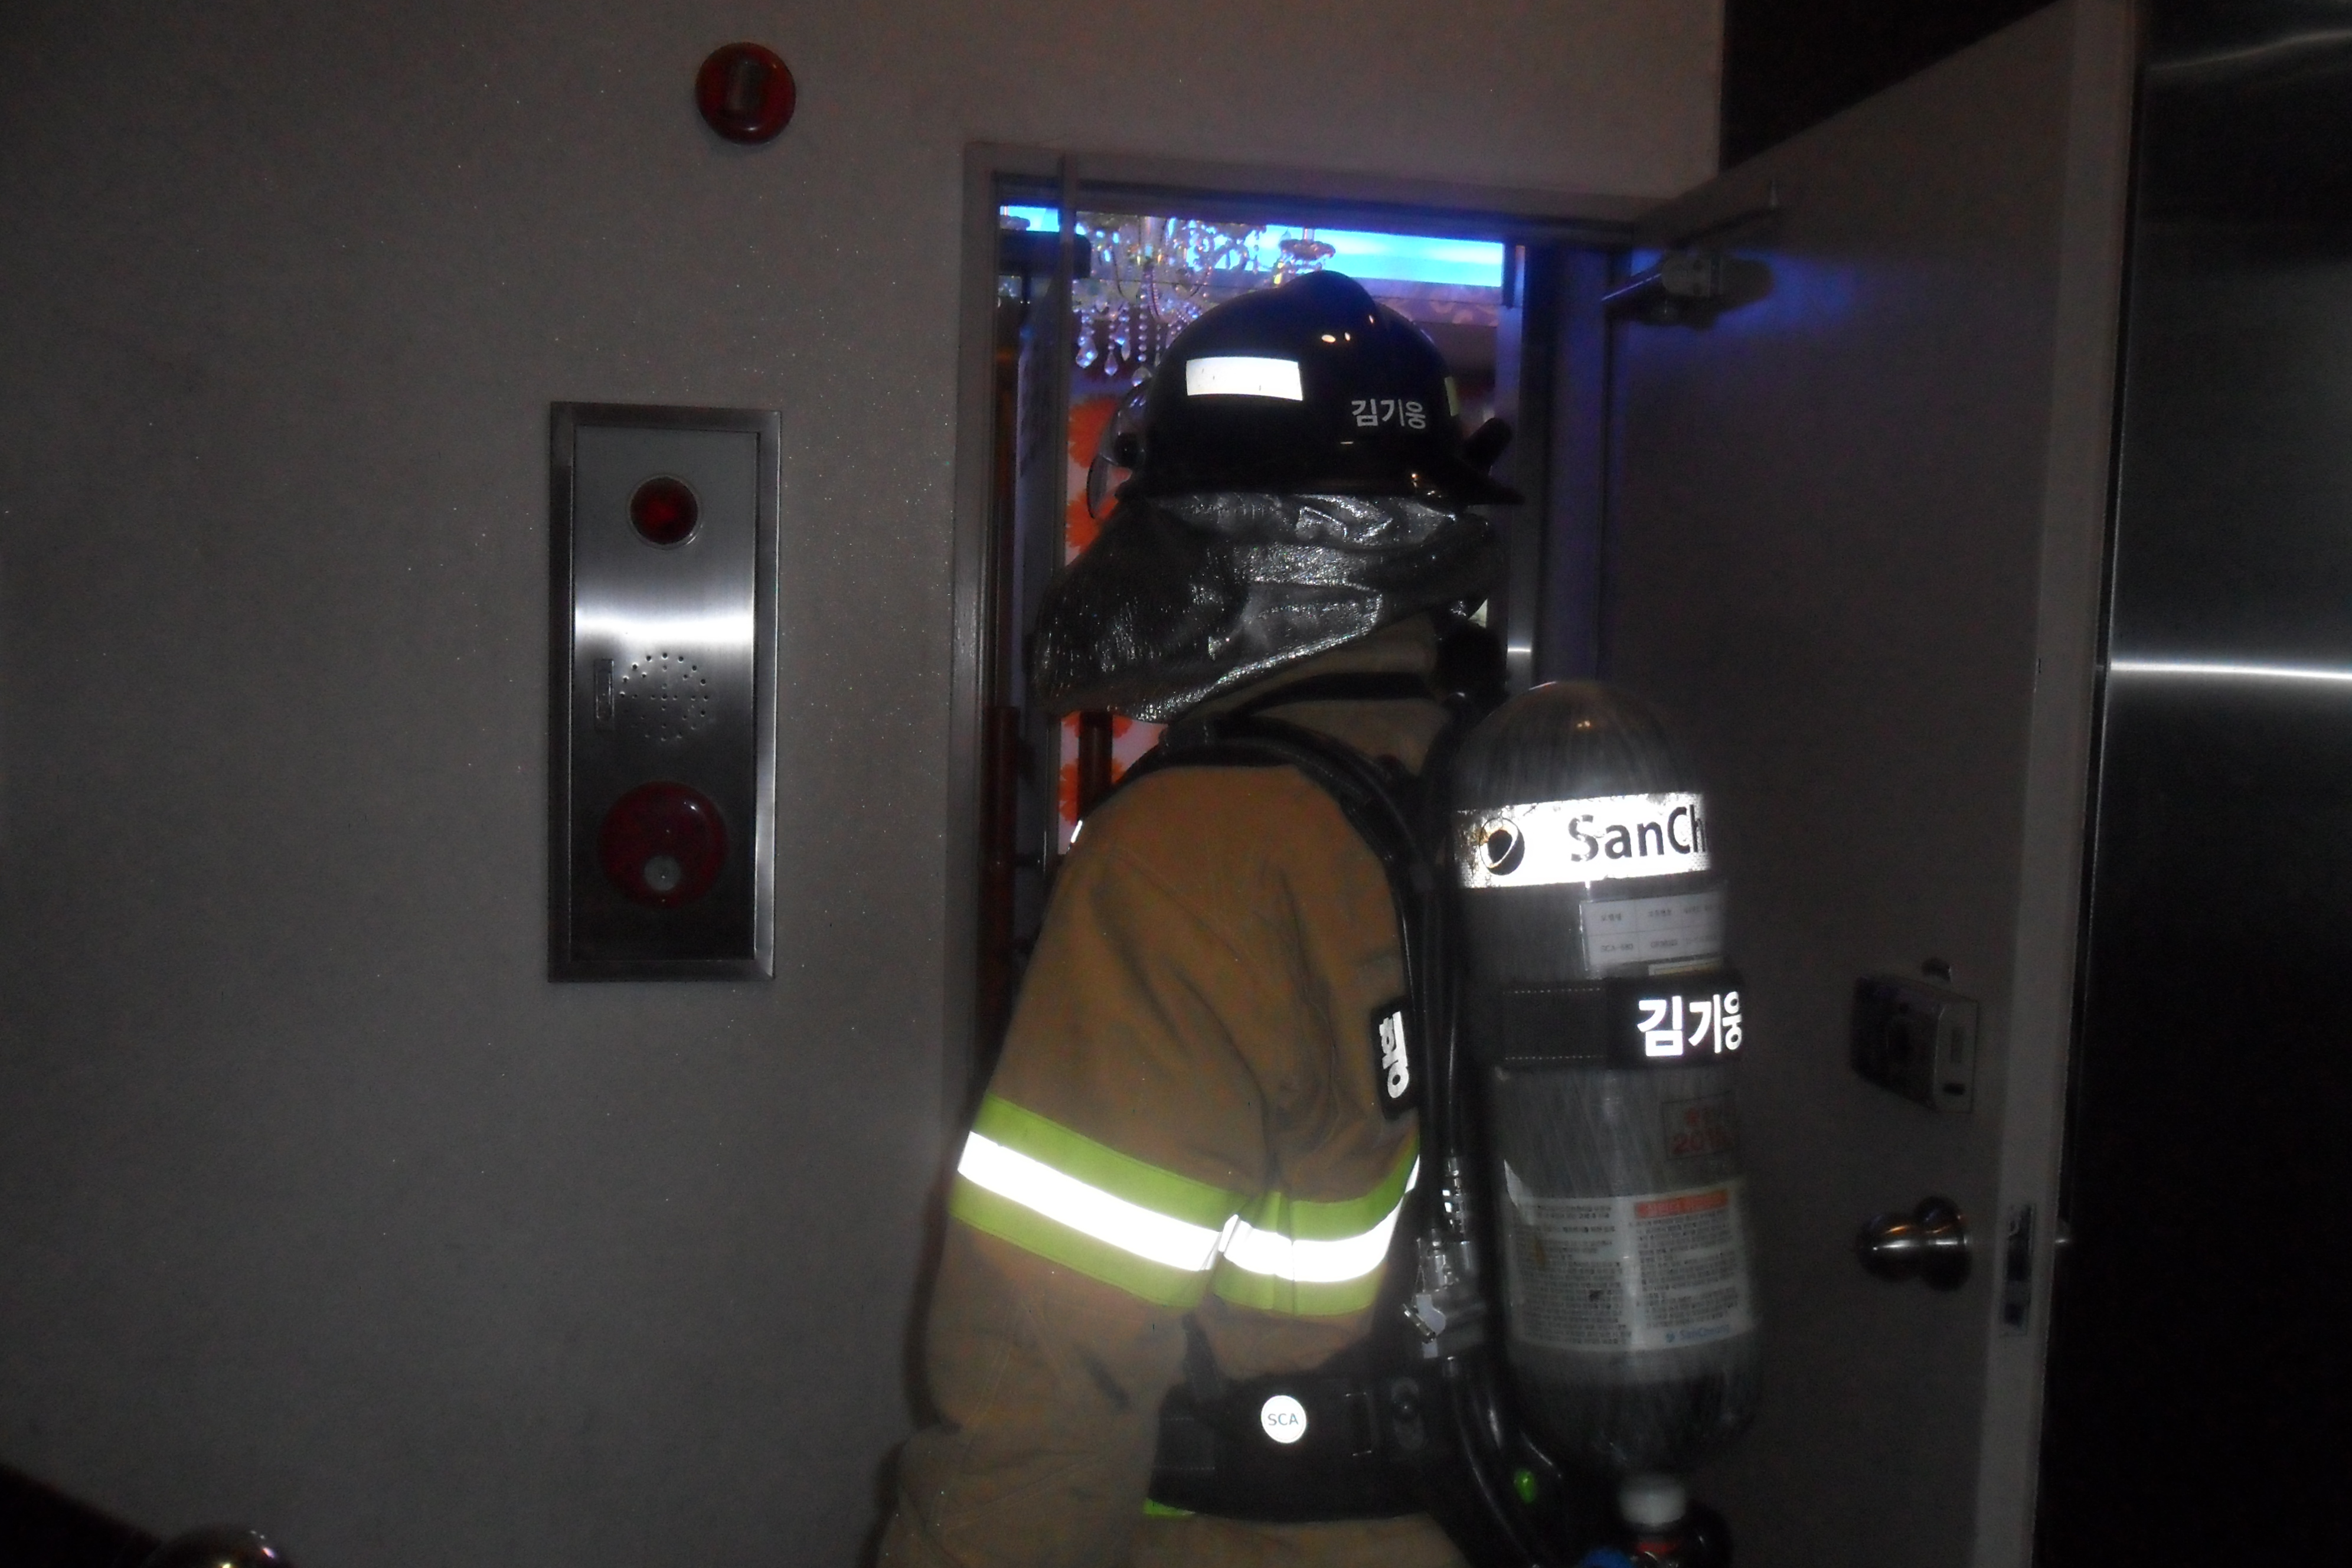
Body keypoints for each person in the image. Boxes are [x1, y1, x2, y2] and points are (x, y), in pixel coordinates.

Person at [881, 271, 1517, 1568]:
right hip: (1503, 1515)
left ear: (1197, 538)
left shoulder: (1192, 849)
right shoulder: (1506, 781)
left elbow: (1046, 1368)